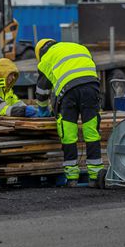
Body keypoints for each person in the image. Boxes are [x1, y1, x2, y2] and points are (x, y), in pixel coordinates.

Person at [34, 38, 104, 187]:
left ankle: (72, 178)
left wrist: (42, 109)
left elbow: (42, 90)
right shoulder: (78, 46)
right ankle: (96, 176)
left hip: (69, 92)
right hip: (91, 87)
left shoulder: (46, 58)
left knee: (69, 133)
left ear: (40, 53)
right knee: (91, 131)